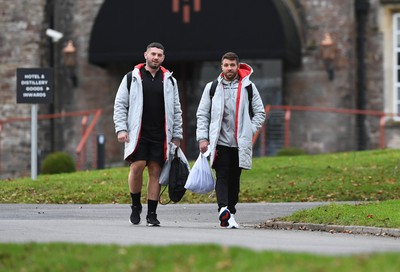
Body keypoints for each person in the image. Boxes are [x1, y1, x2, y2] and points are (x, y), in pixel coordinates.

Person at [113, 42, 183, 227]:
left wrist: (177, 135)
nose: (156, 57)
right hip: (138, 134)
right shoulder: (131, 78)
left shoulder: (169, 80)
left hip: (161, 135)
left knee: (155, 172)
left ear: (163, 58)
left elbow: (176, 110)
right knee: (137, 167)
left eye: (159, 55)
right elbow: (120, 105)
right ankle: (136, 206)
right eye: (153, 54)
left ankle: (152, 214)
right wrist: (121, 129)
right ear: (145, 55)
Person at [196, 52, 266, 229]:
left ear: (238, 66)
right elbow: (202, 114)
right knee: (222, 175)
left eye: (232, 65)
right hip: (220, 141)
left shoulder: (249, 87)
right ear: (221, 67)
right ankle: (223, 210)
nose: (229, 68)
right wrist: (203, 138)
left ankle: (231, 213)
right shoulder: (211, 88)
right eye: (226, 65)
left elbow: (260, 113)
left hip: (240, 143)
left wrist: (249, 130)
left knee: (235, 180)